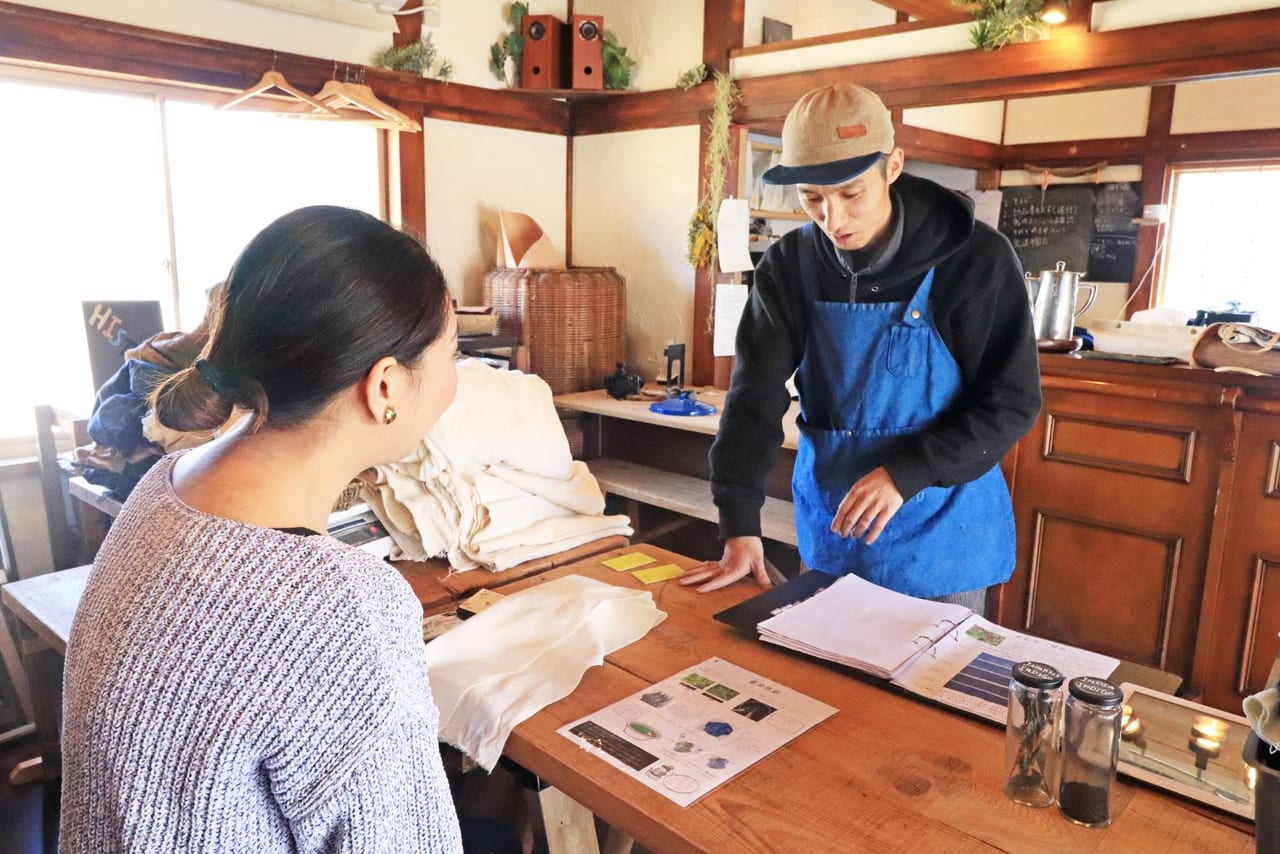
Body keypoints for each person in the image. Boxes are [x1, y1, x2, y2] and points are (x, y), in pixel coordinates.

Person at [60, 206, 465, 852]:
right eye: (455, 351)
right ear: (384, 385)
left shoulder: (163, 490)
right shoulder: (346, 610)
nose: (456, 378)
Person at [682, 84, 1041, 612]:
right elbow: (754, 395)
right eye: (812, 199)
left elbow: (1011, 401)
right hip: (835, 525)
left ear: (892, 166)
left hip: (942, 533)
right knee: (823, 685)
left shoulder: (975, 260)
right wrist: (740, 522)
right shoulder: (790, 264)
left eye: (851, 194)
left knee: (925, 691)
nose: (833, 220)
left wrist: (909, 469)